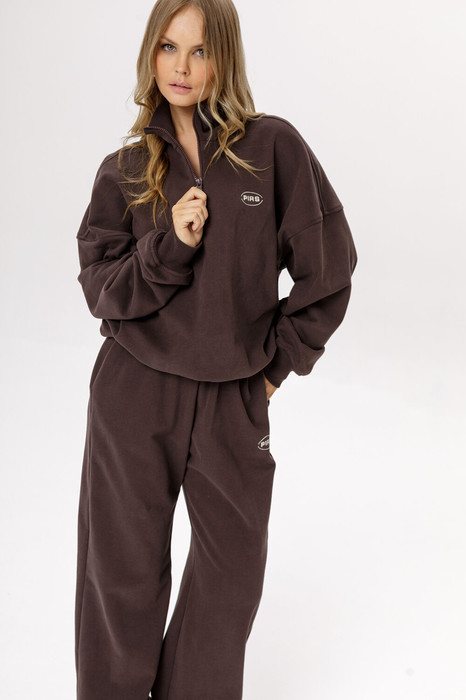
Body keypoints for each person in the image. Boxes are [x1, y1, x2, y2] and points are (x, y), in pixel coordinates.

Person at [74, 0, 357, 698]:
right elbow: (101, 289)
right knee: (122, 574)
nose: (181, 66)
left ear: (223, 57)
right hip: (134, 391)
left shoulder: (272, 148)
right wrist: (168, 246)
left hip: (235, 393)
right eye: (168, 47)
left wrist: (275, 370)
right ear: (151, 52)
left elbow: (329, 269)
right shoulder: (125, 169)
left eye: (199, 50)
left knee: (231, 578)